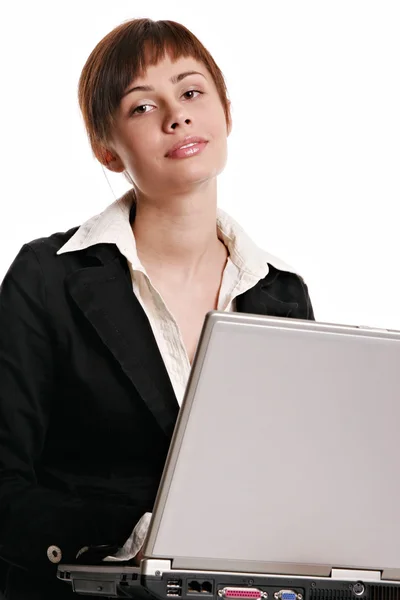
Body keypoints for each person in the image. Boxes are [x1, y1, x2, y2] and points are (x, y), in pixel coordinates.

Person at [0, 17, 315, 600]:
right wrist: (130, 537)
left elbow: (291, 483)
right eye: (142, 107)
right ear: (107, 148)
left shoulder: (282, 293)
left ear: (225, 111)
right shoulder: (46, 276)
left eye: (192, 92)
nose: (178, 116)